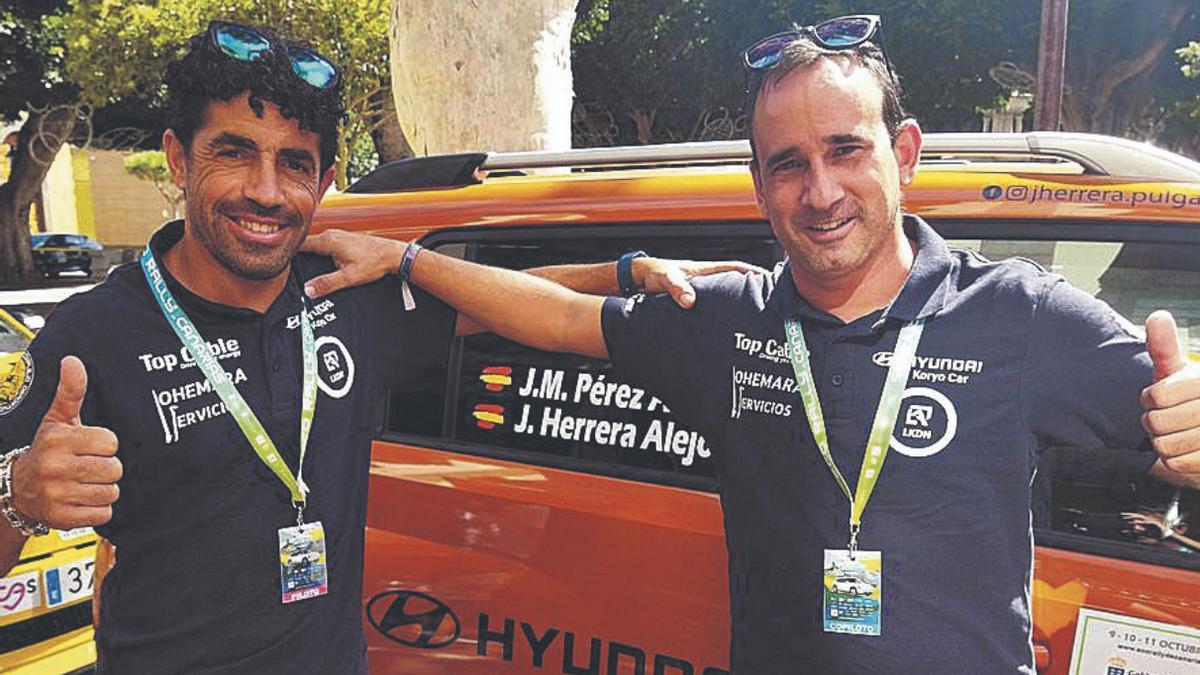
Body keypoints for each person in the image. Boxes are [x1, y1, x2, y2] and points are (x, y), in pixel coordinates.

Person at [300, 15, 1200, 674]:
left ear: (906, 153)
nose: (821, 191)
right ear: (760, 189)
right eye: (789, 165)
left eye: (846, 150)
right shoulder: (727, 317)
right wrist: (411, 258)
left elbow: (1177, 412)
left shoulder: (1022, 314)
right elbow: (553, 316)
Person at [0, 21, 751, 672]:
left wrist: (633, 271)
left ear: (325, 180)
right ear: (176, 157)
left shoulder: (344, 294)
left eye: (294, 163)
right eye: (235, 151)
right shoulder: (92, 333)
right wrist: (20, 498)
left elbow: (508, 298)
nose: (266, 191)